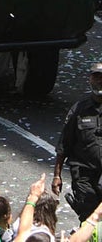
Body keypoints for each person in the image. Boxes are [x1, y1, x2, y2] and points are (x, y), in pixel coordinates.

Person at [55, 61, 102, 220]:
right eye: (96, 77)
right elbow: (64, 144)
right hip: (84, 177)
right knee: (88, 219)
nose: (100, 80)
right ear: (90, 79)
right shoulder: (79, 110)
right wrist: (57, 175)